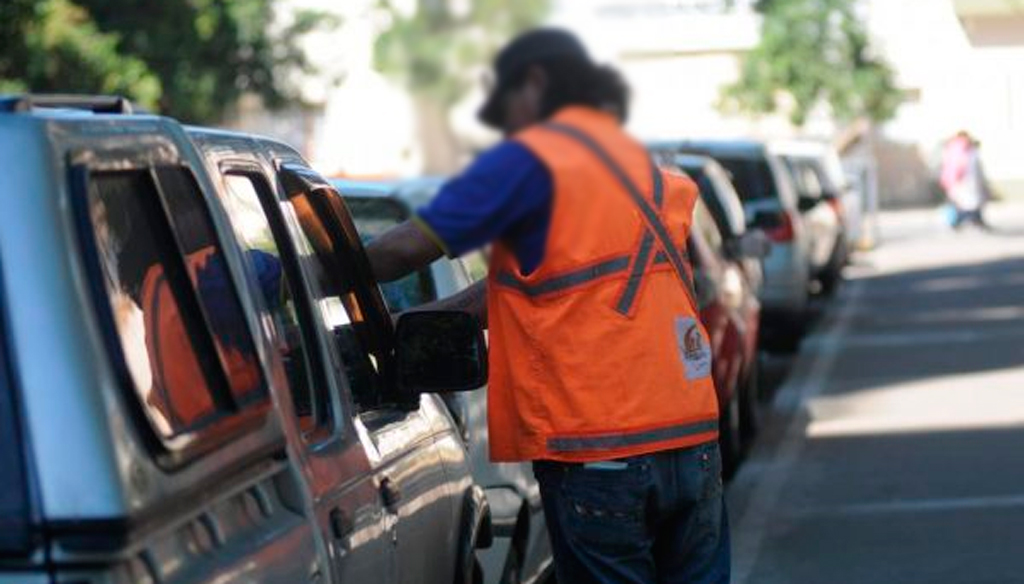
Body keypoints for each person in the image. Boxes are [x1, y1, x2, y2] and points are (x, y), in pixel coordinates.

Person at [366, 28, 729, 584]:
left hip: (599, 450)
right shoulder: (638, 171)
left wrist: (293, 278)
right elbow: (538, 288)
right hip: (690, 442)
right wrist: (414, 324)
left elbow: (400, 251)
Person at [940, 131, 991, 230]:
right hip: (963, 180)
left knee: (963, 202)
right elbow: (960, 165)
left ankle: (966, 221)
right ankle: (963, 221)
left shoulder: (952, 147)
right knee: (967, 202)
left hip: (957, 181)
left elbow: (948, 166)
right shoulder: (964, 148)